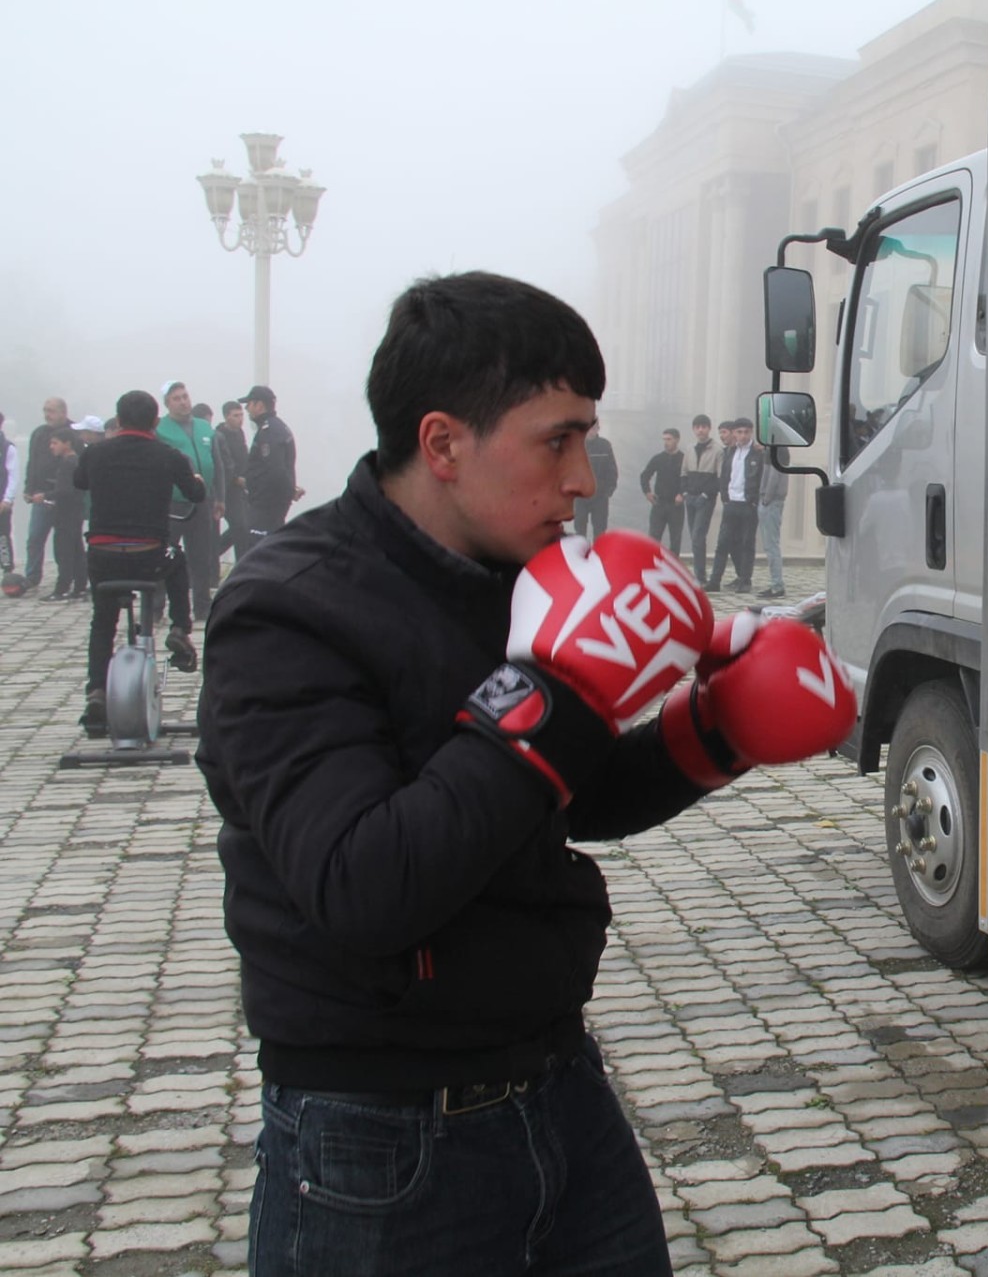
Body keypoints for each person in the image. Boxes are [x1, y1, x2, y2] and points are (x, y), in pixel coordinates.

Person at [196, 270, 851, 1277]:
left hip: (560, 1088)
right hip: (378, 1136)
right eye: (558, 439)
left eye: (586, 437)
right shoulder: (286, 611)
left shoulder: (515, 585)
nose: (585, 477)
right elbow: (363, 883)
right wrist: (557, 691)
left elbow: (564, 796)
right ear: (444, 443)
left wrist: (719, 731)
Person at [73, 389, 204, 729]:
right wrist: (198, 480)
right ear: (156, 422)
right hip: (150, 554)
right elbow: (195, 493)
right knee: (178, 558)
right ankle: (179, 627)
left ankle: (97, 692)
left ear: (117, 421)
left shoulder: (95, 453)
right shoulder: (168, 455)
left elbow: (79, 481)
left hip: (103, 555)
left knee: (102, 622)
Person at [156, 380, 225, 621]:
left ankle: (202, 606)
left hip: (202, 502)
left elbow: (217, 464)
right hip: (173, 503)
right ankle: (156, 607)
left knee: (201, 556)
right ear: (167, 404)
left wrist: (219, 497)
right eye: (176, 398)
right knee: (165, 554)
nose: (183, 402)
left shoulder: (205, 428)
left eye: (185, 396)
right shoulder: (160, 430)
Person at [20, 397, 73, 592]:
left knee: (65, 541)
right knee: (35, 537)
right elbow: (32, 463)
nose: (47, 415)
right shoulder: (39, 434)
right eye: (45, 410)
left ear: (63, 412)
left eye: (51, 410)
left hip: (65, 498)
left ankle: (68, 576)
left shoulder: (73, 432)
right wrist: (28, 487)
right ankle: (32, 576)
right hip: (40, 496)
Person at [241, 385, 300, 550]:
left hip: (266, 505)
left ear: (260, 405)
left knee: (258, 551)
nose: (246, 408)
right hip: (269, 503)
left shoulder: (270, 432)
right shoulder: (277, 427)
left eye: (250, 403)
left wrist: (283, 492)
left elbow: (276, 470)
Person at [707, 419, 763, 593]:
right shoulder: (730, 452)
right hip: (731, 503)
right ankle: (714, 581)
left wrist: (754, 499)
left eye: (746, 432)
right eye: (739, 432)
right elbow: (725, 476)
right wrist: (725, 496)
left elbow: (763, 475)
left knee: (747, 543)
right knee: (723, 543)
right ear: (734, 434)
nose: (743, 435)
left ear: (751, 432)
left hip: (748, 504)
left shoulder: (758, 453)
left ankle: (745, 580)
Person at [43, 428, 87, 601]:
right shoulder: (75, 461)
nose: (51, 447)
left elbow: (65, 490)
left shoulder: (69, 463)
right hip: (74, 512)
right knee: (77, 550)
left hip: (67, 514)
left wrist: (46, 496)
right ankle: (80, 587)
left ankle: (62, 588)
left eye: (55, 443)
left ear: (67, 444)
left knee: (64, 551)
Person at [680, 413, 721, 580]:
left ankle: (700, 574)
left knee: (698, 535)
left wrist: (706, 494)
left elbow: (719, 477)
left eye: (703, 427)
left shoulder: (717, 450)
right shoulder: (689, 449)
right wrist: (685, 492)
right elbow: (683, 472)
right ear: (693, 429)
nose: (700, 430)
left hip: (705, 499)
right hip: (690, 497)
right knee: (694, 536)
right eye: (697, 427)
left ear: (709, 429)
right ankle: (699, 572)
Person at [213, 400, 250, 559]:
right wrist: (235, 478)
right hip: (226, 489)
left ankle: (211, 555)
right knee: (240, 526)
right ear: (226, 417)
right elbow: (223, 463)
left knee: (242, 527)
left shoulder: (239, 433)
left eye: (241, 415)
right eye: (236, 415)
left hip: (241, 489)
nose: (240, 419)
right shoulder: (219, 435)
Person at [639, 426, 685, 554]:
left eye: (669, 439)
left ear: (677, 440)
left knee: (675, 539)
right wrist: (647, 492)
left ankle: (674, 565)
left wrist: (682, 494)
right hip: (659, 503)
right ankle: (651, 564)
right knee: (654, 537)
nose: (666, 442)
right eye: (664, 439)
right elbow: (645, 475)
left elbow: (689, 479)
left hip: (676, 505)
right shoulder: (658, 458)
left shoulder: (684, 459)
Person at [755, 432, 789, 599]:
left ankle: (777, 586)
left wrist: (766, 499)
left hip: (771, 501)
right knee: (770, 546)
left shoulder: (778, 450)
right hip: (771, 501)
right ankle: (776, 584)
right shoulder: (774, 449)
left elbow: (774, 476)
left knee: (771, 546)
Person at [574, 421, 618, 540]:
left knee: (600, 530)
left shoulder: (605, 445)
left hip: (600, 497)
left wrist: (608, 492)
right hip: (580, 497)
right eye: (588, 429)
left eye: (593, 428)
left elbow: (612, 470)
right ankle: (580, 556)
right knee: (579, 530)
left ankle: (599, 556)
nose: (590, 432)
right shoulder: (576, 446)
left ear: (598, 429)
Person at [0, 413, 18, 580]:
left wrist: (7, 499)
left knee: (3, 537)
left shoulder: (7, 448)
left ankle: (7, 569)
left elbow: (13, 475)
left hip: (1, 501)